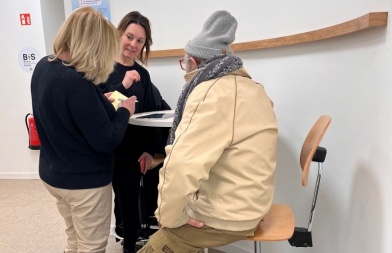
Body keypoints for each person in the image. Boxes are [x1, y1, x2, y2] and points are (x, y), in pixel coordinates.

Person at [138, 10, 278, 253]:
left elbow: (180, 166)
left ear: (193, 62)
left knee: (157, 243)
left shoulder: (210, 92)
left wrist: (168, 219)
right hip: (254, 204)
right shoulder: (254, 89)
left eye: (184, 64)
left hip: (229, 216)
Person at [30, 7, 137, 253]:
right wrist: (125, 111)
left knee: (74, 237)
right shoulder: (76, 82)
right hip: (84, 183)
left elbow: (64, 111)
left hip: (54, 174)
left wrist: (101, 100)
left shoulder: (44, 67)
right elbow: (107, 139)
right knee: (92, 246)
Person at [99, 11, 164, 253]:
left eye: (140, 41)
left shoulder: (143, 75)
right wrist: (123, 86)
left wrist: (149, 150)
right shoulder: (101, 67)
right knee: (100, 207)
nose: (133, 44)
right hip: (105, 150)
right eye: (130, 36)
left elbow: (151, 113)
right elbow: (98, 107)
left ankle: (128, 248)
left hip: (132, 153)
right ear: (119, 34)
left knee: (129, 206)